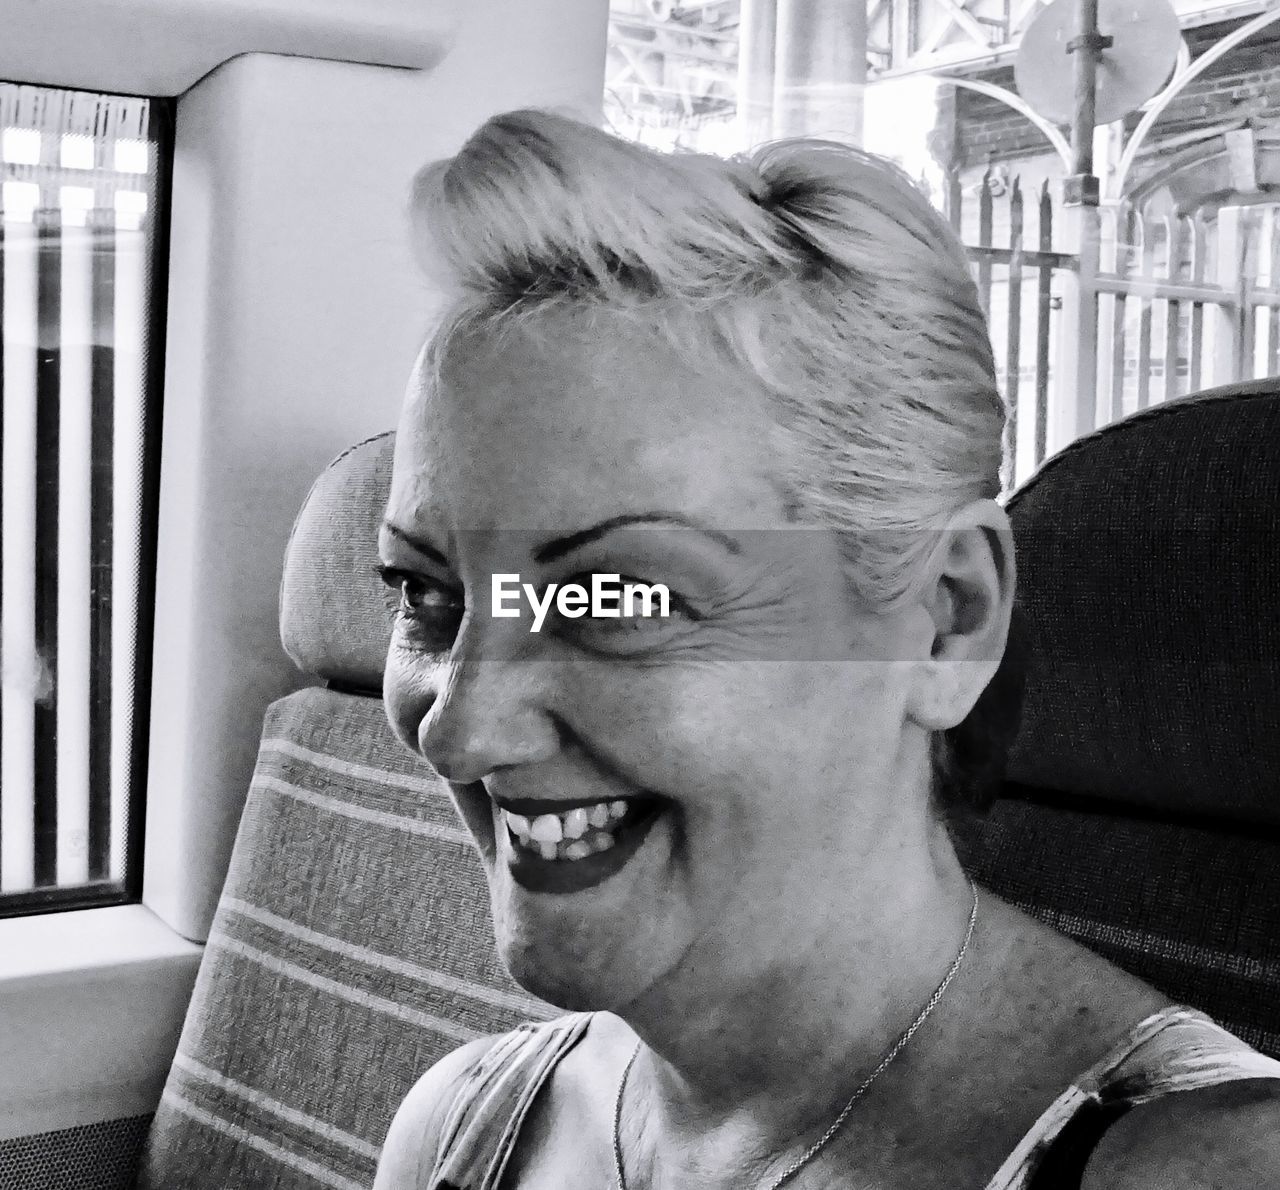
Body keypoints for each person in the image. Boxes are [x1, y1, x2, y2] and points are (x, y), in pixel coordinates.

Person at [370, 109, 1280, 1190]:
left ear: (945, 616)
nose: (461, 726)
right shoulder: (467, 1124)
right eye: (427, 596)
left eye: (616, 593)